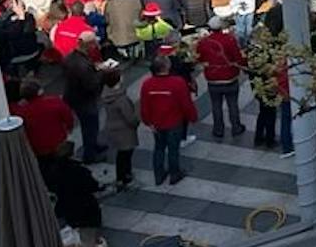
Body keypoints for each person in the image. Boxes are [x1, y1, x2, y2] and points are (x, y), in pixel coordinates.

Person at [138, 54, 197, 186]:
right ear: (167, 66)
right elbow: (186, 103)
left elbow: (144, 105)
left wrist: (148, 122)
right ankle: (174, 174)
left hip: (157, 124)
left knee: (158, 148)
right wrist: (192, 117)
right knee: (173, 149)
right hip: (174, 122)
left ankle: (159, 175)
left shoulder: (147, 84)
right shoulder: (178, 83)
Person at [196, 23, 247, 140]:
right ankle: (236, 127)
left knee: (216, 105)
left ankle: (218, 129)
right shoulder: (229, 39)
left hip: (213, 78)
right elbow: (237, 57)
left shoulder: (204, 42)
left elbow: (199, 57)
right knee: (233, 104)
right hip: (230, 77)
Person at [100, 67, 138, 191]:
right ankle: (125, 177)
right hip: (124, 130)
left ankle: (122, 177)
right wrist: (136, 121)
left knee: (121, 155)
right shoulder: (121, 99)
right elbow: (130, 117)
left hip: (113, 126)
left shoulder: (107, 94)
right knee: (126, 155)